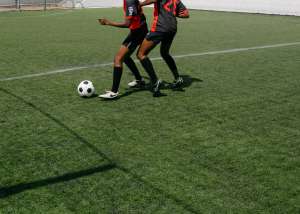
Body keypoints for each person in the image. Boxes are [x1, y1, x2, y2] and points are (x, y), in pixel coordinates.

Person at [137, 0, 189, 97]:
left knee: (141, 54)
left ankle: (155, 81)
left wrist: (140, 4)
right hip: (172, 28)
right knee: (164, 53)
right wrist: (175, 14)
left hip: (160, 28)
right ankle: (178, 78)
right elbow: (186, 14)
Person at [98, 0, 148, 99]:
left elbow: (127, 24)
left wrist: (108, 22)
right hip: (139, 29)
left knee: (118, 59)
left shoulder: (129, 1)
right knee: (125, 57)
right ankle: (139, 80)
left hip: (137, 32)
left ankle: (114, 91)